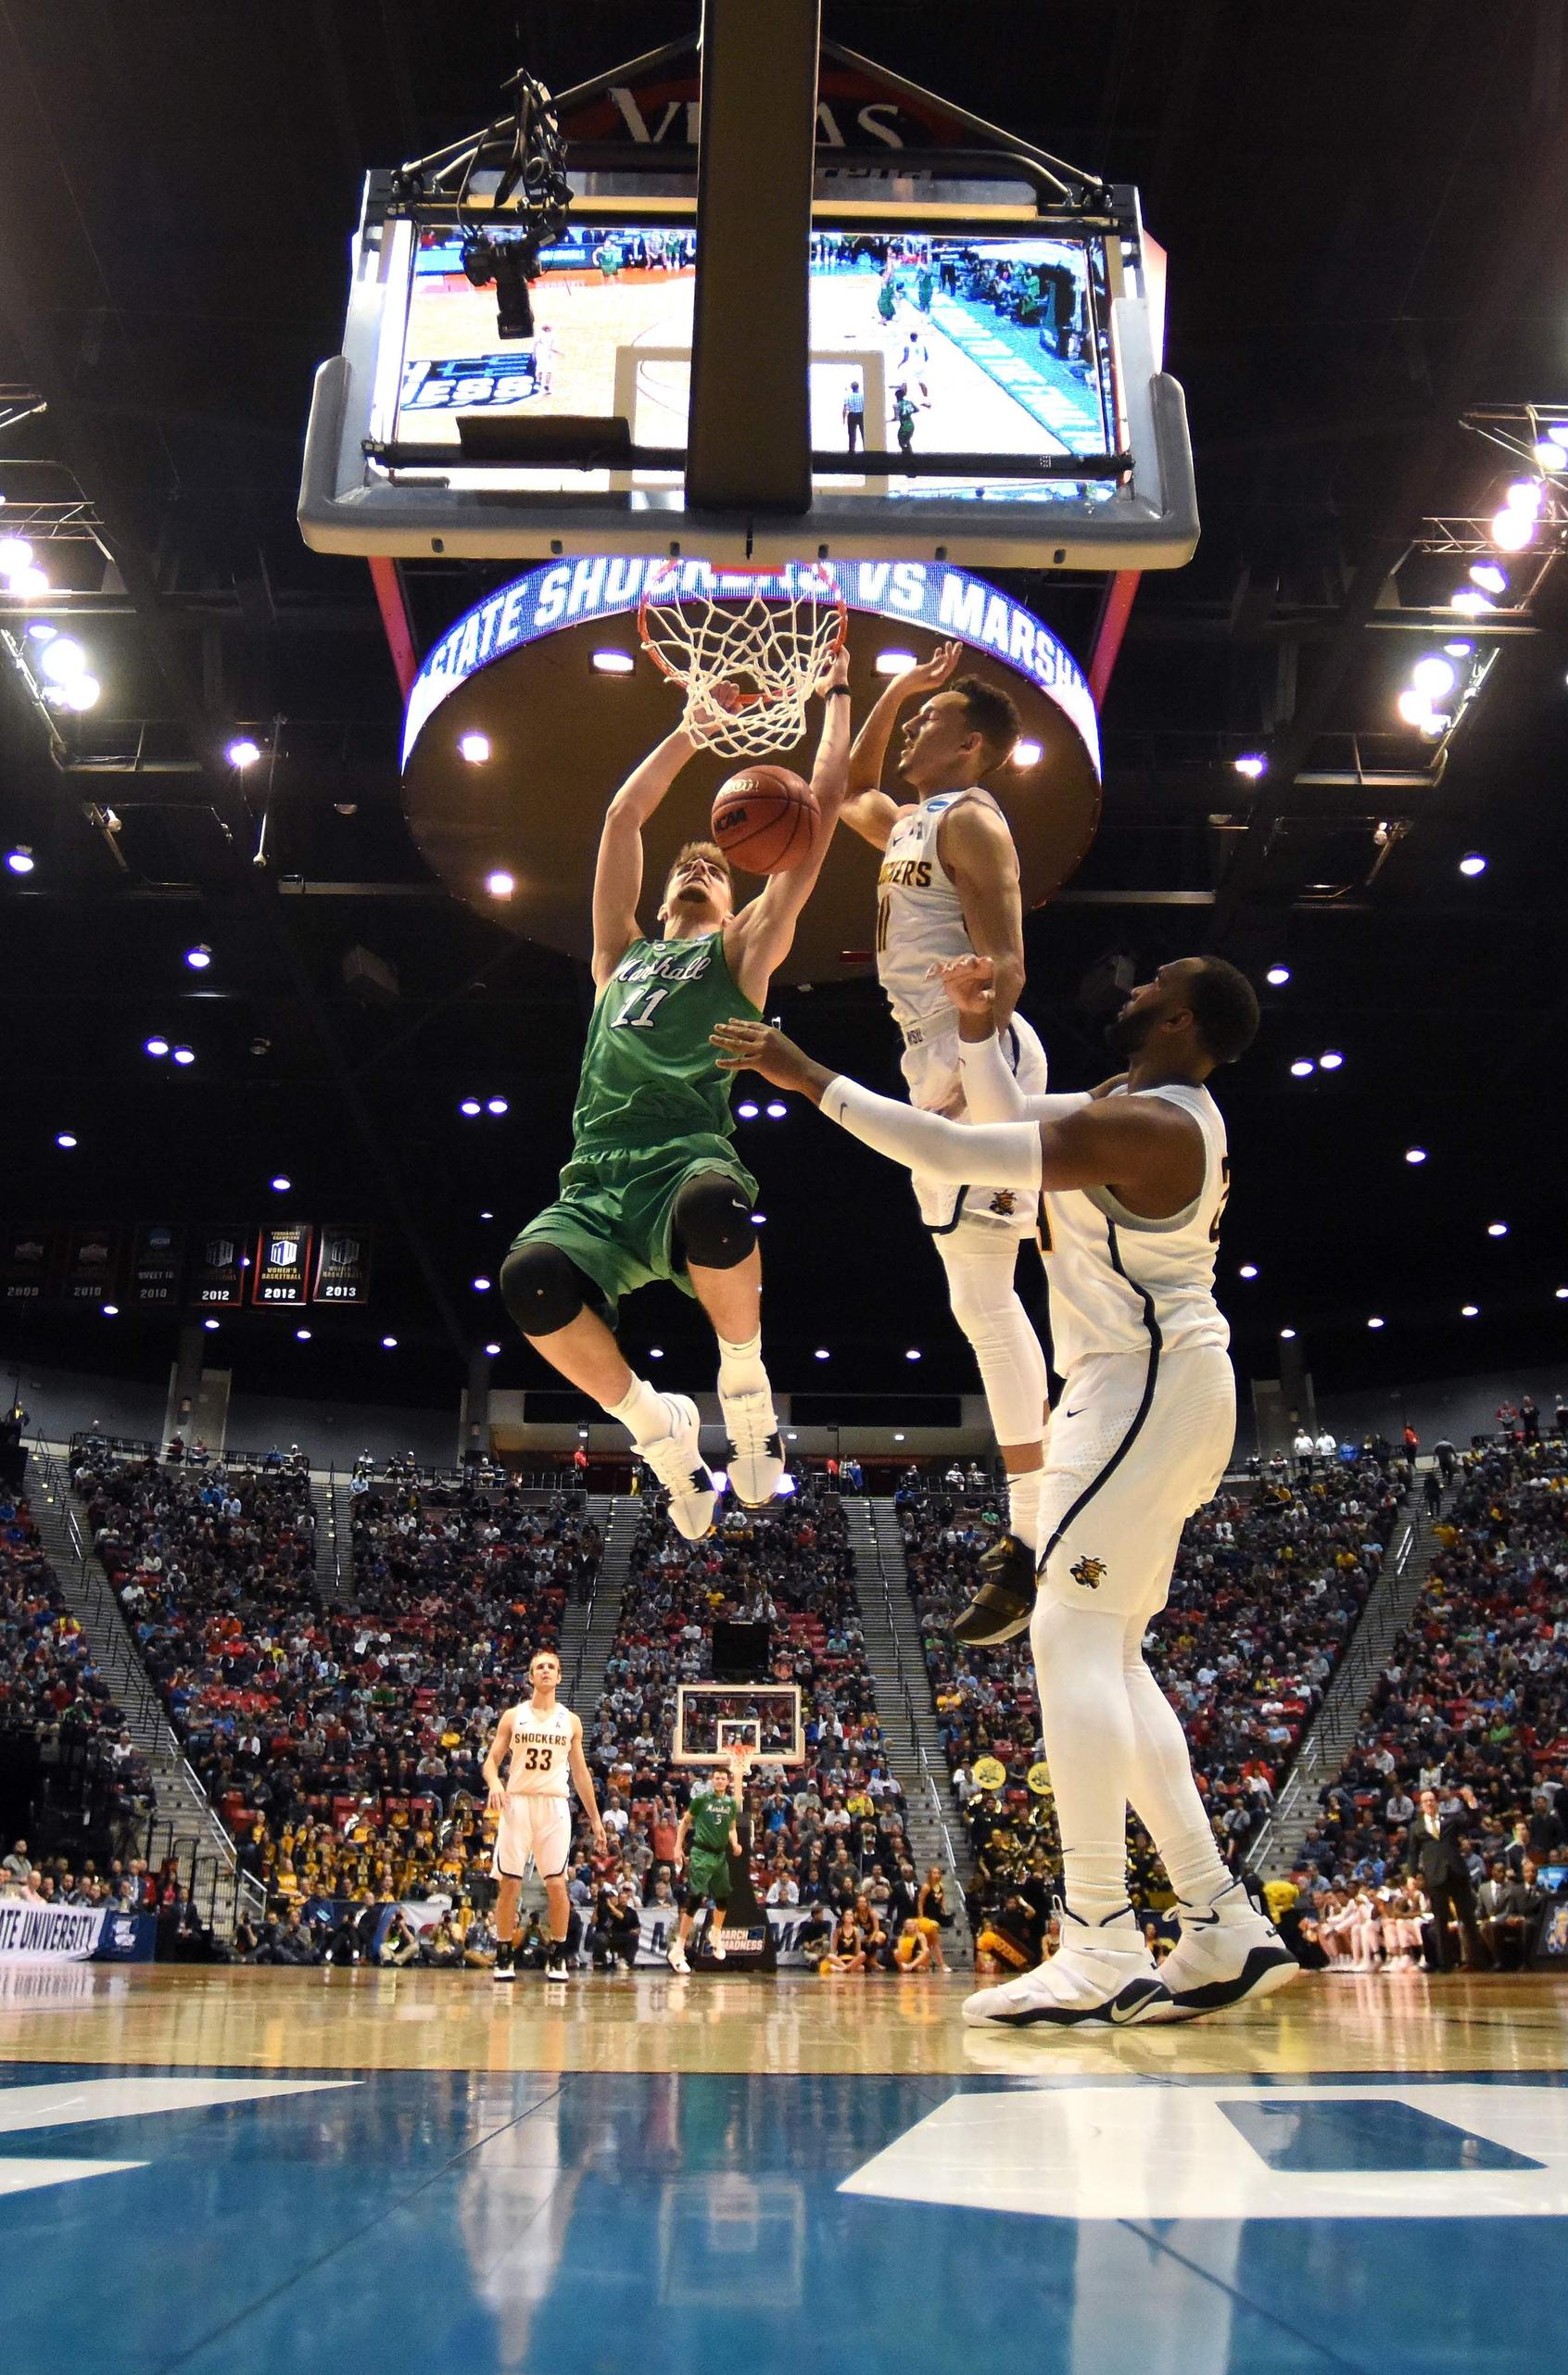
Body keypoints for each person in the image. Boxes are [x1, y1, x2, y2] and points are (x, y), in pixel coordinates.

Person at [711, 950, 1293, 2027]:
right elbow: (1011, 1106)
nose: (1129, 987)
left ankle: (1101, 1937)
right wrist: (976, 1026)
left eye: (1153, 983)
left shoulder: (1156, 1126)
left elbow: (961, 1144)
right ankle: (1219, 1920)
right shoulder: (1135, 1100)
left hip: (1142, 1388)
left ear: (1183, 1021)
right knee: (1110, 1653)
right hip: (1156, 1388)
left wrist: (808, 1076)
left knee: (1067, 1639)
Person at [496, 657, 851, 1543]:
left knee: (714, 1204)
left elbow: (823, 815)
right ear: (658, 906)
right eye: (683, 872)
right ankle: (660, 1434)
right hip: (595, 1181)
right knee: (527, 1280)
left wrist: (836, 703)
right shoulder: (616, 959)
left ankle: (746, 1389)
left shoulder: (741, 953)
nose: (696, 872)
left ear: (736, 897)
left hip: (687, 1153)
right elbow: (623, 816)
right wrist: (696, 727)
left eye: (714, 869)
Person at [837, 643, 1058, 1551]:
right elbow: (850, 786)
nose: (915, 731)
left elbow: (1008, 966)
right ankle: (1038, 1508)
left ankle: (1034, 1522)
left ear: (971, 746)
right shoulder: (911, 821)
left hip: (977, 1060)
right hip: (932, 1060)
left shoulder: (974, 821)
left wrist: (974, 1045)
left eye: (932, 721)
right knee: (978, 1301)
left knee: (987, 1298)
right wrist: (897, 687)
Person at [480, 1650, 603, 1989]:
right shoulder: (513, 1716)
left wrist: (595, 1819)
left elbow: (580, 1773)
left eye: (551, 1667)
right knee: (510, 1884)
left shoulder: (571, 1721)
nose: (546, 1671)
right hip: (517, 1802)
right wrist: (495, 1783)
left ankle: (558, 1952)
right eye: (539, 1667)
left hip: (554, 1806)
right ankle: (504, 1952)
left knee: (557, 1884)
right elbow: (490, 1762)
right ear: (531, 1678)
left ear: (559, 1677)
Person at [674, 1760, 745, 1974]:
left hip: (720, 1854)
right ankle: (679, 1947)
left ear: (728, 1781)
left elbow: (732, 1828)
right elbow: (685, 1823)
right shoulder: (702, 1800)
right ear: (712, 1781)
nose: (720, 1780)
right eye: (717, 1778)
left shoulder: (731, 1804)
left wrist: (735, 1843)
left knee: (723, 1899)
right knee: (696, 1897)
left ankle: (716, 1932)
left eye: (723, 1778)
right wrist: (678, 1847)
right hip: (701, 1852)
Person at [1410, 1788, 1488, 1972]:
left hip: (1457, 1872)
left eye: (1432, 1800)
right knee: (1440, 1922)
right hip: (1435, 1876)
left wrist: (1471, 1802)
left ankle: (1478, 1961)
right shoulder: (1416, 1827)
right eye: (1425, 1801)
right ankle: (1445, 1964)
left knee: (1468, 1919)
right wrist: (1411, 1875)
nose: (1429, 1803)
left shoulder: (1451, 1819)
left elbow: (1472, 1822)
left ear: (1437, 1802)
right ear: (1421, 1806)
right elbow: (1413, 1853)